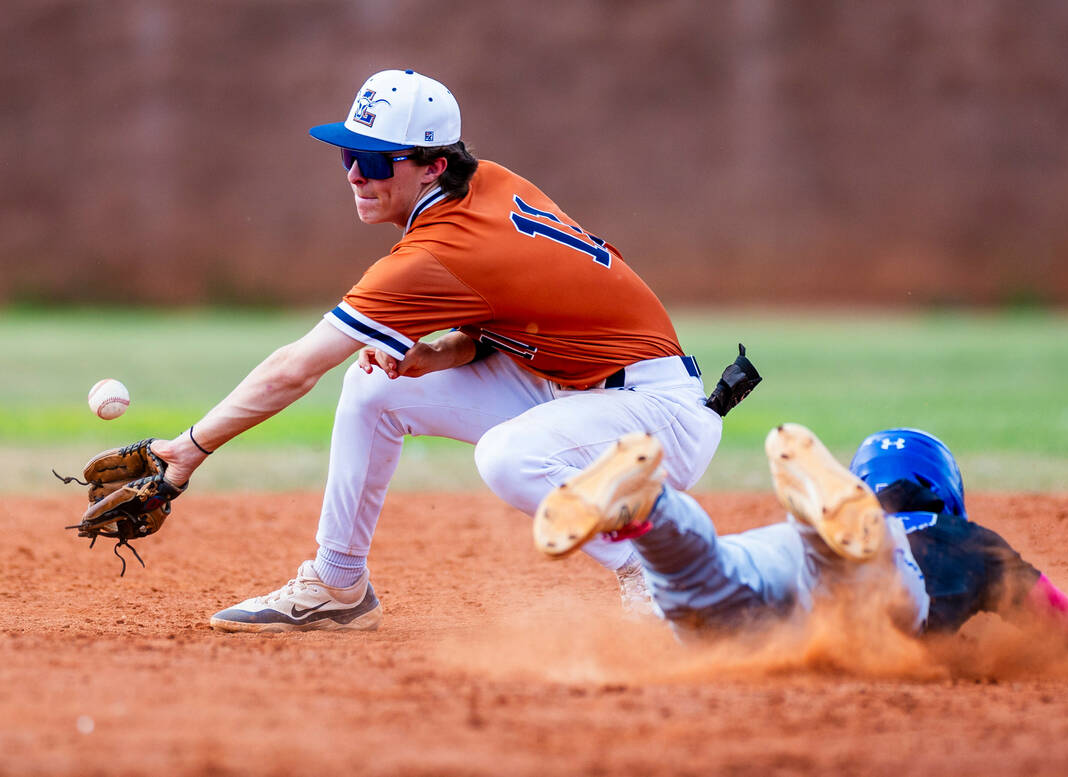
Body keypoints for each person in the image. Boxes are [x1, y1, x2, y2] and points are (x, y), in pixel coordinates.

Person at [146, 69, 723, 632]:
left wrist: (188, 450)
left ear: (434, 167)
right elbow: (522, 312)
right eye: (348, 156)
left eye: (373, 162)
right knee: (376, 387)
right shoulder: (486, 184)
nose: (354, 175)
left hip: (652, 417)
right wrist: (440, 354)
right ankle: (337, 583)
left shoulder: (438, 251)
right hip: (577, 389)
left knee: (506, 457)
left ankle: (652, 568)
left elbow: (294, 370)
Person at [533, 423, 1068, 645]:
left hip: (769, 548)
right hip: (875, 567)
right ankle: (816, 522)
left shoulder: (919, 528)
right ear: (945, 487)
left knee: (697, 580)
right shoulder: (969, 539)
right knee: (846, 592)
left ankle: (649, 509)